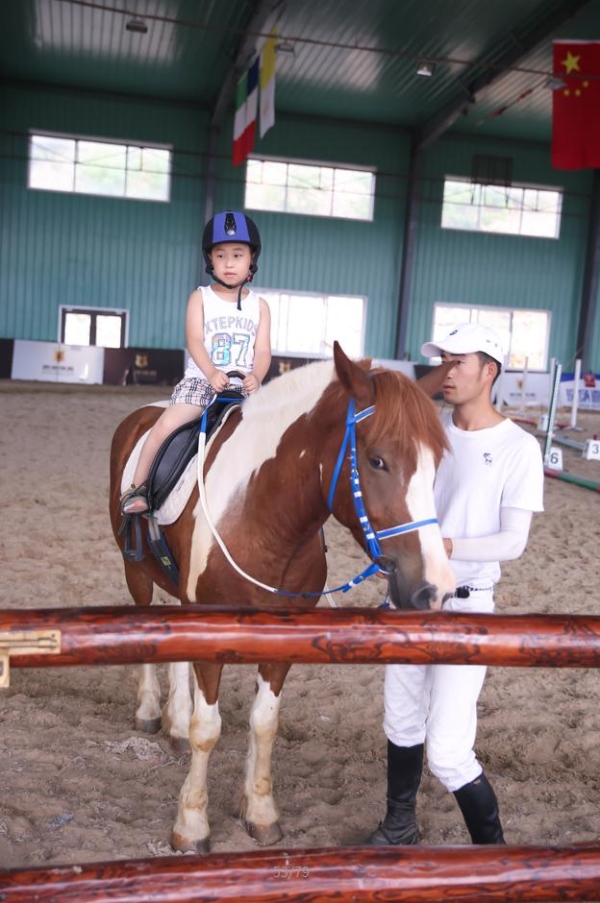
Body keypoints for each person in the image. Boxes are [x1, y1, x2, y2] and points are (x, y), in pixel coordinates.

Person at [367, 322, 544, 846]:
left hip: (468, 605)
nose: (446, 371)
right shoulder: (425, 429)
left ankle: (493, 853)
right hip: (407, 599)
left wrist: (447, 548)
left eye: (458, 361)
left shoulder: (518, 447)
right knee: (400, 724)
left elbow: (513, 541)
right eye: (441, 360)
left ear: (489, 371)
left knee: (447, 749)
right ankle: (399, 824)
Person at [120, 211, 272, 515]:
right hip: (202, 383)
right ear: (210, 261)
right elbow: (195, 340)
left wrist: (257, 375)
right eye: (221, 255)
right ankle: (136, 488)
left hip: (244, 389)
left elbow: (264, 350)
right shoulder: (200, 297)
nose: (229, 263)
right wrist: (211, 372)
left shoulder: (261, 306)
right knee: (166, 425)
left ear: (251, 259)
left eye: (237, 255)